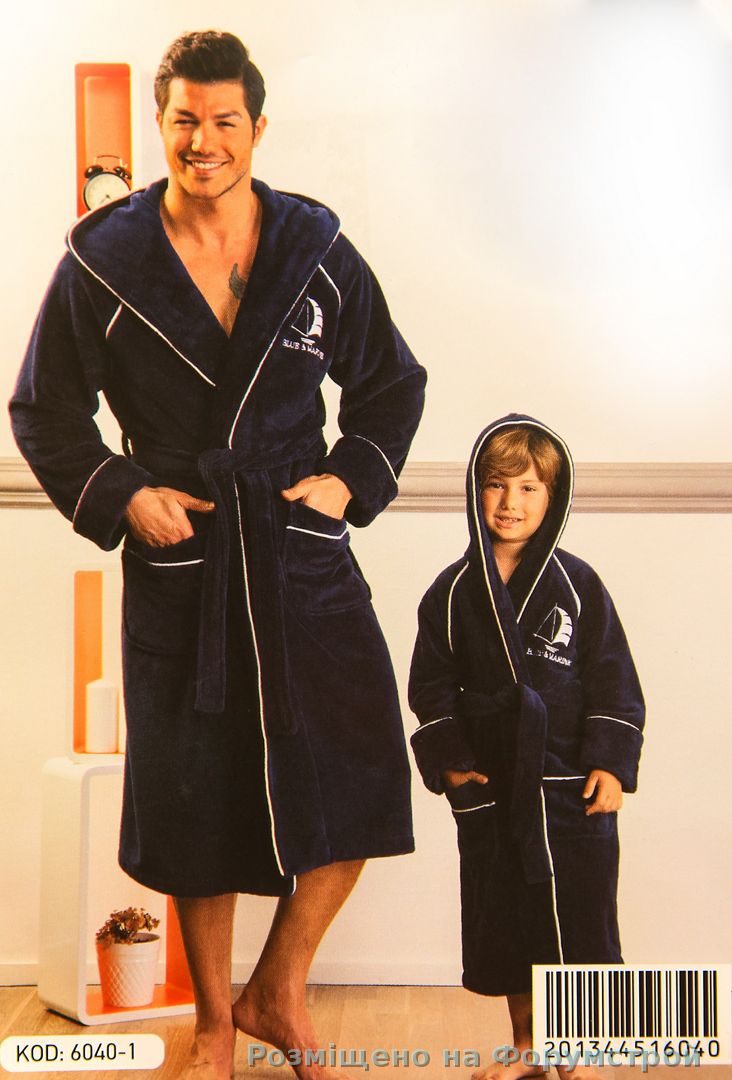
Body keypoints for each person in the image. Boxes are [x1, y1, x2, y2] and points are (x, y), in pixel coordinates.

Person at [10, 30, 426, 1080]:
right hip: (186, 559)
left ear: (258, 127)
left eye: (225, 121)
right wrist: (125, 495)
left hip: (297, 554)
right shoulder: (104, 261)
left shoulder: (313, 249)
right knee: (196, 802)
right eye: (185, 120)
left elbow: (391, 381)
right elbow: (43, 408)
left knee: (364, 770)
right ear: (161, 125)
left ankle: (277, 986)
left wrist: (349, 480)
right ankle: (213, 1027)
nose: (205, 141)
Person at [408, 414, 644, 1080]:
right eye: (496, 485)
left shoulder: (578, 584)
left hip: (568, 781)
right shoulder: (452, 592)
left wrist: (611, 763)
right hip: (494, 783)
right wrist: (452, 763)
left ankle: (578, 1048)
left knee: (579, 912)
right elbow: (430, 685)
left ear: (554, 497)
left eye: (529, 488)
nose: (510, 502)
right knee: (510, 916)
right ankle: (527, 1045)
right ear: (474, 492)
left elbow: (613, 676)